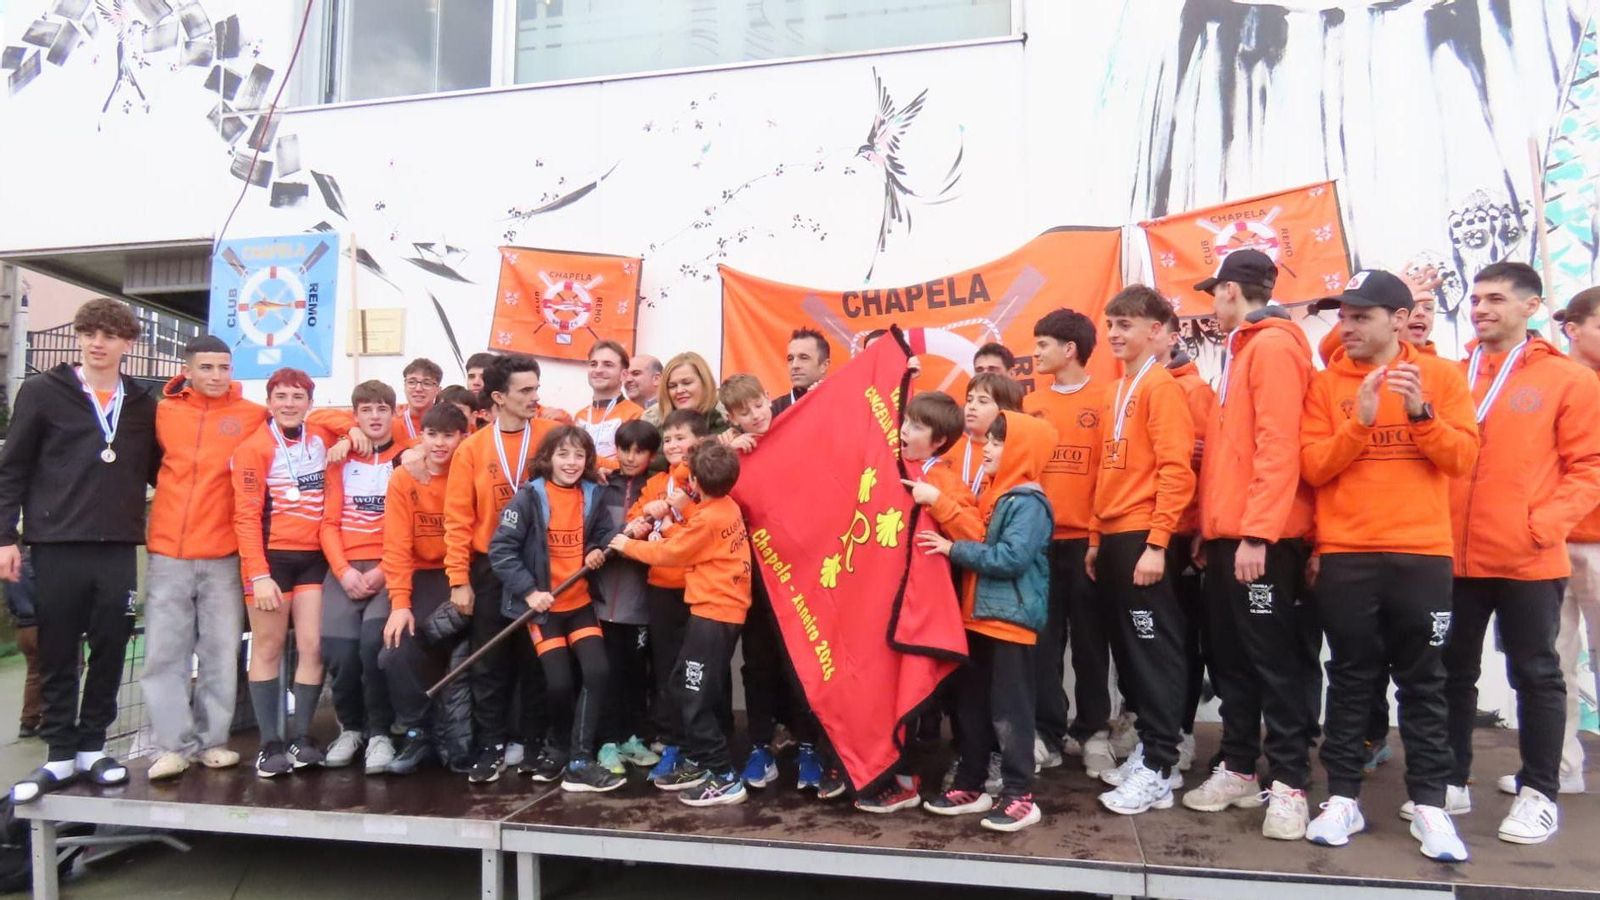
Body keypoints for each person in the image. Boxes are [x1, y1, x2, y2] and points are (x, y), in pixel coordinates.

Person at [1298, 268, 1477, 861]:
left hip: (1422, 554)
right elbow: (1315, 467)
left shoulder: (1443, 377)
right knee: (1350, 678)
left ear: (1399, 319)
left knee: (1425, 683)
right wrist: (1362, 419)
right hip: (1349, 555)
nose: (1346, 327)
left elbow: (1462, 459)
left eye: (1360, 316)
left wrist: (1421, 412)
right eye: (1343, 316)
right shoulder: (1326, 386)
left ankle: (1430, 805)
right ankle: (1342, 798)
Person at [1444, 261, 1600, 845]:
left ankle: (1541, 792)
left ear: (1530, 307)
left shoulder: (1569, 380)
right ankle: (1452, 778)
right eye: (1477, 300)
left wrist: (1543, 525)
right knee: (1452, 672)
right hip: (1457, 556)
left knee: (1536, 675)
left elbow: (1589, 467)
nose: (1481, 309)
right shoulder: (1457, 376)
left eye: (1496, 300)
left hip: (1528, 557)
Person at [1180, 250, 1319, 841]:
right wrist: (1211, 532)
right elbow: (1232, 456)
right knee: (1233, 660)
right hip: (1232, 538)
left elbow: (1278, 445)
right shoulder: (1244, 351)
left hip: (1262, 540)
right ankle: (1239, 767)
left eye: (1216, 293)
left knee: (1273, 664)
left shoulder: (1274, 346)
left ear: (1232, 290)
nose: (1213, 304)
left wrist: (1258, 532)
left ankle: (1288, 783)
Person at [0, 298, 158, 803]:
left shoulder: (141, 402)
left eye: (110, 335)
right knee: (57, 647)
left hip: (116, 544)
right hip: (56, 541)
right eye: (89, 332)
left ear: (127, 344)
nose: (97, 342)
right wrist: (5, 535)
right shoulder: (44, 391)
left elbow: (162, 470)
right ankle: (59, 754)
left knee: (113, 644)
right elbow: (13, 467)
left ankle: (93, 745)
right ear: (78, 336)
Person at [1086, 285, 1196, 816]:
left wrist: (1157, 543)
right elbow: (1104, 472)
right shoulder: (1117, 390)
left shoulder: (1163, 389)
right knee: (1131, 655)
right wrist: (1093, 536)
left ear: (1157, 331)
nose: (1114, 334)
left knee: (1155, 653)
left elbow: (1177, 471)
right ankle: (1153, 754)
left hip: (1143, 539)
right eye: (1111, 324)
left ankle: (1160, 764)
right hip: (1113, 538)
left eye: (1125, 324)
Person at [919, 410, 1055, 832]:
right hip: (978, 619)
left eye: (998, 442)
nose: (988, 448)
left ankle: (1019, 795)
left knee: (1011, 713)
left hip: (1009, 624)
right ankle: (971, 784)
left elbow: (1010, 558)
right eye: (989, 441)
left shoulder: (1029, 502)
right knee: (972, 708)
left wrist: (951, 548)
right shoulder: (996, 494)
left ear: (1020, 451)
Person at [142, 335, 265, 782]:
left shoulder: (252, 415)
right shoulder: (162, 412)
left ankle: (213, 741)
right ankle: (172, 746)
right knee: (163, 652)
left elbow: (302, 417)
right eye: (207, 367)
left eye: (224, 367)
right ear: (188, 369)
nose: (216, 376)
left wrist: (345, 428)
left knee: (220, 651)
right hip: (168, 552)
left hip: (223, 554)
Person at [610, 441, 753, 807]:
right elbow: (694, 537)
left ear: (697, 482)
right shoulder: (726, 506)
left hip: (713, 615)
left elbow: (672, 554)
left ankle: (723, 775)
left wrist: (626, 545)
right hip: (718, 612)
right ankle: (704, 761)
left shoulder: (707, 518)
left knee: (692, 696)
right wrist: (681, 512)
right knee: (680, 684)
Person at [861, 391, 982, 814]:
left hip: (930, 614)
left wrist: (937, 503)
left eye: (915, 427)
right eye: (904, 423)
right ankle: (894, 773)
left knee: (920, 697)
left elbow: (974, 533)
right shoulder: (894, 468)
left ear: (939, 440)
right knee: (894, 693)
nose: (903, 432)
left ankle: (912, 780)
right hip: (892, 606)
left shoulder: (944, 478)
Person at [444, 353, 560, 783]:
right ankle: (491, 744)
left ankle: (532, 741)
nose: (534, 397)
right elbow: (457, 518)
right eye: (525, 391)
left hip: (541, 567)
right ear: (498, 397)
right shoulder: (473, 448)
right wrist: (459, 579)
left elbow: (585, 464)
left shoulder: (551, 435)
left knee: (537, 657)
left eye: (536, 388)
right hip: (490, 566)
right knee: (490, 659)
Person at [489, 426, 625, 793]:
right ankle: (558, 746)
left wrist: (598, 549)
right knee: (560, 684)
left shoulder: (593, 494)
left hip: (579, 603)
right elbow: (501, 551)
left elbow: (602, 535)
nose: (571, 463)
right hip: (544, 610)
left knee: (597, 672)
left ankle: (580, 759)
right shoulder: (527, 499)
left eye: (579, 456)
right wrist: (530, 592)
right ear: (547, 458)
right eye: (563, 455)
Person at [233, 368, 350, 777]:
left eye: (297, 397)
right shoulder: (254, 448)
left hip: (314, 557)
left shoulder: (321, 436)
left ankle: (302, 737)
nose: (288, 404)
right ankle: (269, 745)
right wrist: (258, 573)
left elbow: (355, 421)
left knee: (312, 646)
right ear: (269, 402)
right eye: (280, 396)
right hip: (270, 559)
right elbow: (246, 517)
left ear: (309, 403)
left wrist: (349, 436)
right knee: (267, 647)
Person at [1021, 309, 1115, 779]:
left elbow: (1109, 475)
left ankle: (1094, 732)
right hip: (1038, 547)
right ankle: (1046, 733)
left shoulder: (1106, 399)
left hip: (1088, 543)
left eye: (1042, 345)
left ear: (1069, 349)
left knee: (1091, 644)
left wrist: (1098, 535)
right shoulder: (1030, 404)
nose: (1035, 353)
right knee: (1043, 642)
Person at [718, 374, 824, 790]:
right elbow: (697, 482)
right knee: (757, 666)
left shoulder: (796, 433)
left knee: (803, 664)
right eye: (743, 412)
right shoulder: (731, 452)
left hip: (802, 576)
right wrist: (724, 452)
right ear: (731, 418)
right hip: (757, 581)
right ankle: (761, 747)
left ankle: (811, 748)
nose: (755, 415)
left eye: (758, 405)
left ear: (769, 398)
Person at [380, 403, 472, 775]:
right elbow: (396, 544)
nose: (439, 443)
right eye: (432, 434)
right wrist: (400, 604)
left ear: (462, 437)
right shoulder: (404, 478)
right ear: (421, 436)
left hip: (461, 575)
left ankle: (458, 736)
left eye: (448, 435)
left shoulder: (468, 471)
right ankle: (418, 731)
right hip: (420, 575)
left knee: (457, 648)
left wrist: (462, 582)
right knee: (393, 651)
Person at [320, 381, 406, 774]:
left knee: (374, 647)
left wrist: (383, 571)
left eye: (382, 409)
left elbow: (409, 528)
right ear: (355, 416)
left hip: (388, 568)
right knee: (340, 652)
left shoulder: (408, 457)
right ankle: (350, 729)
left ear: (394, 413)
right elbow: (328, 523)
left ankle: (380, 733)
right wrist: (343, 571)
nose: (375, 416)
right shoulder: (339, 459)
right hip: (344, 567)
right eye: (367, 409)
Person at [629, 409, 711, 783]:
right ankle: (674, 743)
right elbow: (633, 522)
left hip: (700, 591)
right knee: (667, 670)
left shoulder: (707, 481)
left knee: (701, 674)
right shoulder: (656, 482)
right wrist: (645, 512)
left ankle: (708, 747)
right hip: (661, 588)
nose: (673, 445)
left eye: (681, 438)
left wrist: (681, 498)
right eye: (669, 439)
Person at [1545, 288, 1600, 797]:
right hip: (1554, 541)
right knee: (1552, 662)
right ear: (1573, 328)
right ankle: (1559, 768)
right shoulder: (1550, 380)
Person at [1158, 314, 1214, 775]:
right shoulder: (1127, 389)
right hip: (1147, 530)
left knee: (1180, 642)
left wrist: (1199, 527)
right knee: (1149, 639)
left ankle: (1180, 733)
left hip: (1180, 537)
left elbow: (1207, 462)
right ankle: (1150, 727)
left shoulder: (1195, 391)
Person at [591, 420, 663, 774]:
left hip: (640, 603)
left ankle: (631, 738)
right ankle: (604, 742)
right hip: (600, 601)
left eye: (640, 451)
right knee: (605, 673)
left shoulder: (658, 488)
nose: (631, 457)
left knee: (634, 674)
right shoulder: (600, 485)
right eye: (625, 449)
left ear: (652, 454)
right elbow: (589, 533)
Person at [949, 373, 1025, 499]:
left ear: (1004, 409)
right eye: (969, 400)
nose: (972, 406)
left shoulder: (1013, 454)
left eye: (982, 401)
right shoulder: (948, 446)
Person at [573, 340, 644, 469]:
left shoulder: (636, 415)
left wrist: (587, 458)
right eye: (593, 364)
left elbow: (629, 467)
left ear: (624, 375)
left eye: (608, 365)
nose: (598, 370)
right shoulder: (580, 416)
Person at [643, 352, 729, 434]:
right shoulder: (654, 421)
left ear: (705, 382)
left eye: (687, 383)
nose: (679, 390)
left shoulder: (727, 415)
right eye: (672, 386)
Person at [8, 549, 41, 740]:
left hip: (22, 626)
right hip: (40, 624)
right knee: (65, 667)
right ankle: (50, 717)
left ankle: (28, 721)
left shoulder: (12, 563)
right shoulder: (33, 562)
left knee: (34, 672)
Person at [771, 328, 830, 417]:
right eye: (790, 359)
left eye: (803, 357)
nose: (794, 365)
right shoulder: (772, 412)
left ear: (824, 365)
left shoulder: (841, 405)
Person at [395, 358, 443, 447]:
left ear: (438, 390)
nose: (418, 389)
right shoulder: (393, 419)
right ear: (404, 386)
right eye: (411, 382)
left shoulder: (448, 421)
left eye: (427, 383)